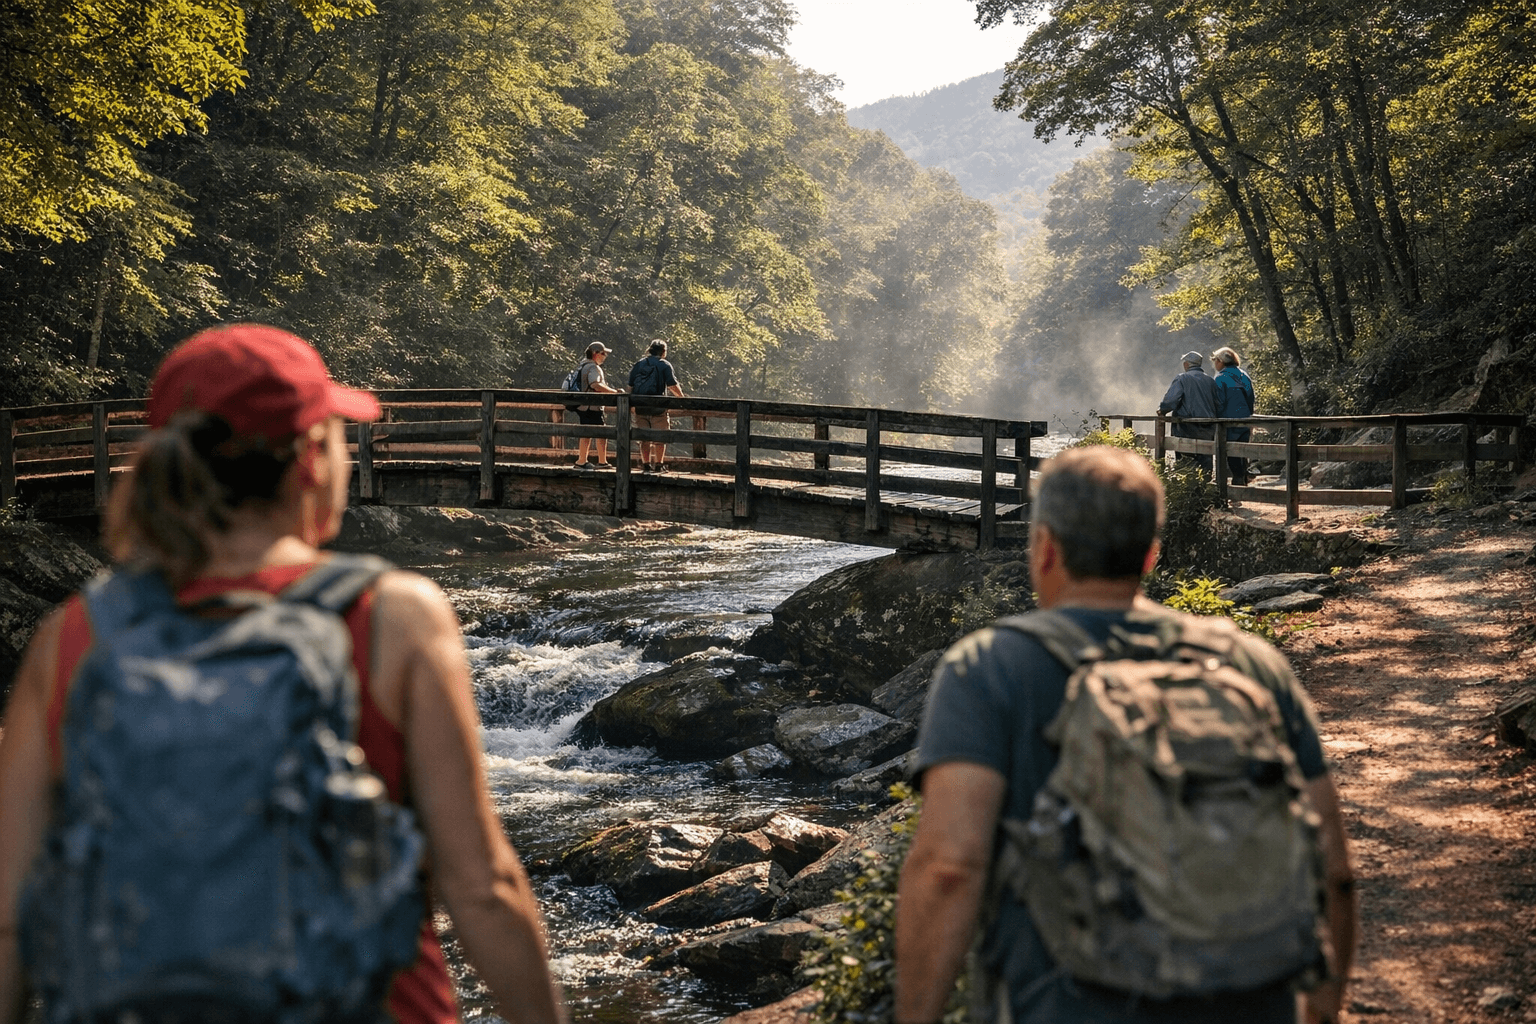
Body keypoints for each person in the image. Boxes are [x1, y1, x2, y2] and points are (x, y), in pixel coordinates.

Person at [0, 324, 566, 1024]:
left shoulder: (72, 639)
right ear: (310, 458)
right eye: (335, 434)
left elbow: (10, 911)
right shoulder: (391, 614)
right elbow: (482, 886)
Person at [893, 446, 1356, 1024]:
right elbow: (1334, 870)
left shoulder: (989, 667)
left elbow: (948, 869)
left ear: (1045, 549)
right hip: (1251, 1001)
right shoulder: (1249, 663)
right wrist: (1324, 1006)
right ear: (1151, 556)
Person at [627, 339, 685, 472]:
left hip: (640, 407)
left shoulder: (639, 364)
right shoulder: (664, 365)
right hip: (658, 408)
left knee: (644, 438)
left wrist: (631, 405)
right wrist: (682, 398)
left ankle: (646, 465)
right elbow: (672, 385)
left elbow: (630, 385)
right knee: (660, 437)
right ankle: (659, 465)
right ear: (663, 352)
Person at [1157, 351, 1219, 475]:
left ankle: (1188, 490)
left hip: (1186, 428)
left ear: (1186, 364)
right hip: (1208, 429)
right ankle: (1205, 489)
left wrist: (1162, 410)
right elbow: (1217, 403)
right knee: (1205, 461)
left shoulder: (1182, 378)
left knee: (1186, 463)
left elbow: (1171, 400)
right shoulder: (1210, 381)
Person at [1212, 346, 1256, 485]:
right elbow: (1251, 398)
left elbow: (1219, 402)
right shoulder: (1244, 375)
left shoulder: (1220, 378)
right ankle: (1242, 483)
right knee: (1242, 452)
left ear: (1220, 361)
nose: (1214, 363)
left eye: (1215, 360)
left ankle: (1234, 488)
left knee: (1230, 454)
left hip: (1228, 422)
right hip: (1245, 420)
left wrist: (1215, 418)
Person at [574, 341, 619, 469]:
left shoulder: (581, 366)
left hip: (582, 406)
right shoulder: (593, 367)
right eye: (603, 353)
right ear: (595, 354)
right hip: (592, 406)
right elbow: (595, 384)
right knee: (602, 432)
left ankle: (581, 460)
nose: (605, 356)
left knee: (586, 432)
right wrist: (614, 392)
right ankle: (602, 461)